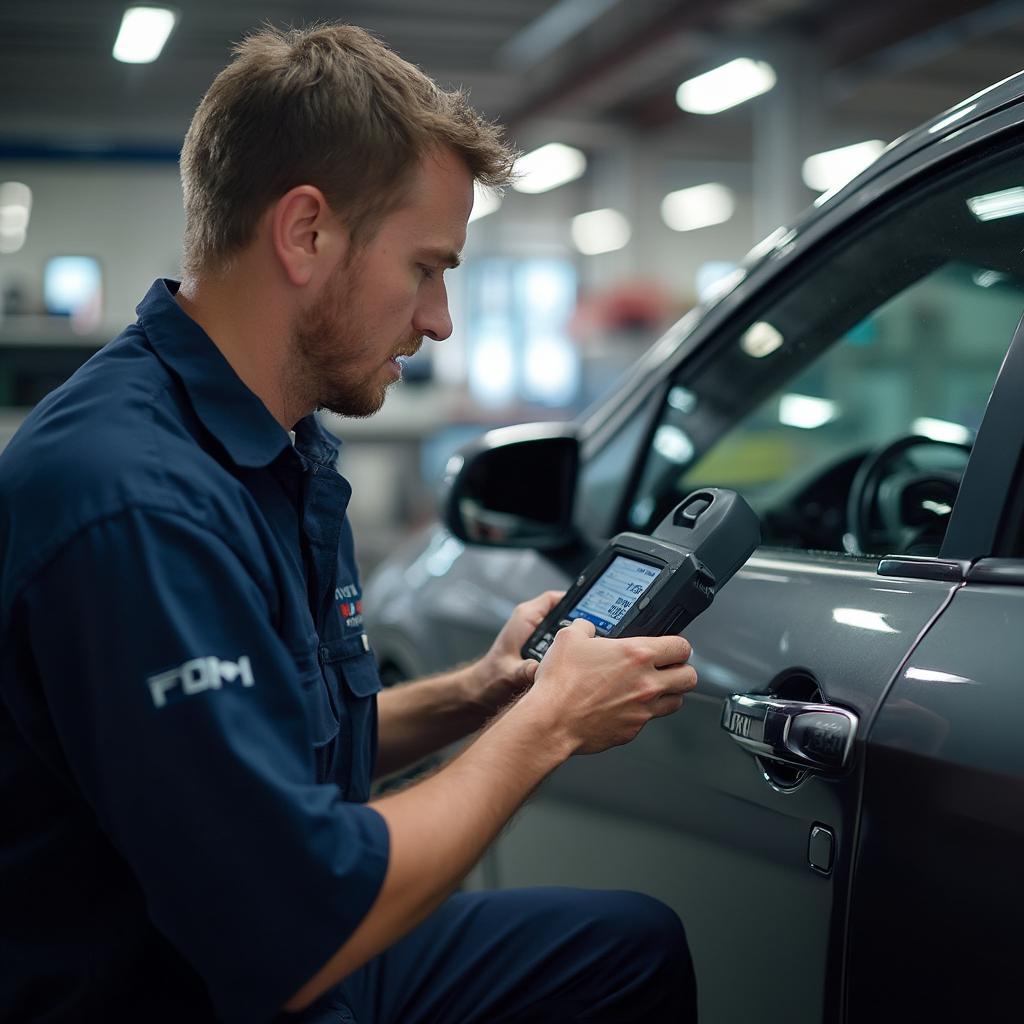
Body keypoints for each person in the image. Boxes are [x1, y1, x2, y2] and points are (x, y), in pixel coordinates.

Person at [0, 23, 699, 1024]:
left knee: (627, 947)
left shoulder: (270, 443)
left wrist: (483, 693)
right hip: (182, 984)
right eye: (425, 267)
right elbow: (289, 922)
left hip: (255, 942)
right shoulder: (132, 501)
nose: (441, 318)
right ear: (306, 233)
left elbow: (260, 751)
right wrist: (545, 728)